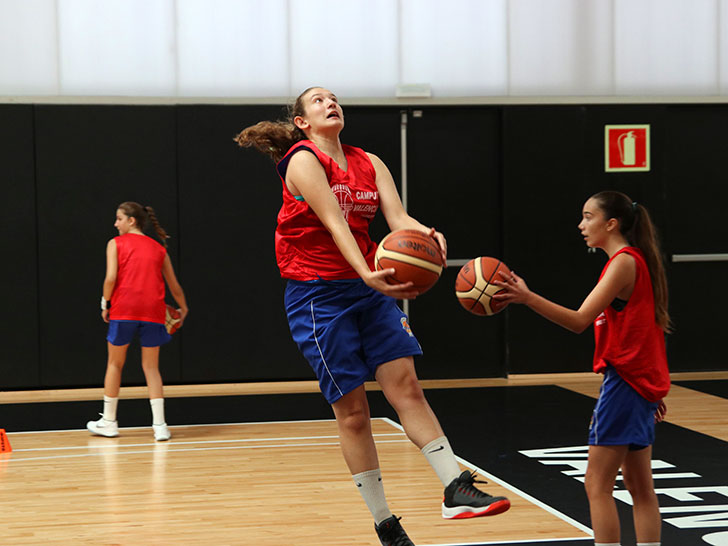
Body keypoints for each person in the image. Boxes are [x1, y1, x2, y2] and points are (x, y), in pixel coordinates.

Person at [235, 87, 510, 546]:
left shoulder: (370, 162)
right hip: (317, 296)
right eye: (318, 100)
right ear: (302, 122)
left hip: (367, 288)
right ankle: (385, 522)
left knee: (406, 386)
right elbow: (334, 222)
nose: (330, 103)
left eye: (334, 97)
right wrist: (367, 271)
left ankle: (456, 487)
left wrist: (427, 237)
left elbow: (398, 217)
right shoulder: (303, 160)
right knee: (354, 414)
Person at [493, 191, 670, 546]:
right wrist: (648, 391)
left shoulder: (622, 262)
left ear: (611, 224)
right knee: (639, 487)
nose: (581, 224)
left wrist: (527, 298)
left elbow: (578, 321)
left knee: (596, 484)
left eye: (588, 217)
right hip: (636, 384)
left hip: (626, 385)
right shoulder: (633, 260)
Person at [87, 202, 189, 442]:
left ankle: (109, 422)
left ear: (131, 221)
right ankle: (160, 426)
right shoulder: (158, 248)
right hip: (153, 312)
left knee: (115, 364)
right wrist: (183, 307)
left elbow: (110, 277)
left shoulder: (115, 243)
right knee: (151, 368)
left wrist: (105, 303)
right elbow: (174, 286)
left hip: (124, 309)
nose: (115, 223)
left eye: (119, 218)